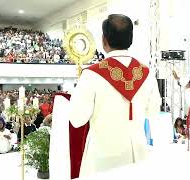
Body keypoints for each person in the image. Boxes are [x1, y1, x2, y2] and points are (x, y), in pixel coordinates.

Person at [69, 14, 161, 177]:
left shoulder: (91, 74)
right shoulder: (146, 73)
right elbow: (152, 112)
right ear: (130, 40)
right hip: (137, 154)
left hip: (102, 159)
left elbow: (77, 120)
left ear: (104, 40)